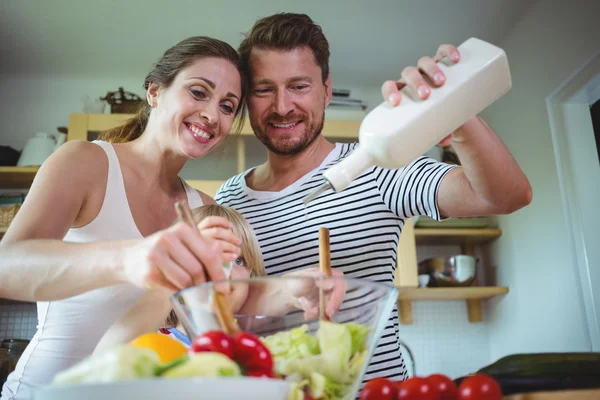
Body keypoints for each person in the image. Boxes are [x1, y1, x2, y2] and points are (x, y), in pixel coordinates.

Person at [215, 13, 533, 382]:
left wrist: (457, 114)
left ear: (327, 90)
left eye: (299, 86)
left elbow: (507, 196)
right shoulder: (229, 197)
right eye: (264, 89)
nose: (282, 106)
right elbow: (227, 311)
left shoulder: (379, 166)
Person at [0, 36, 247, 400]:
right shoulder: (84, 162)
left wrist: (290, 291)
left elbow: (222, 310)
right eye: (198, 92)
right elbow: (6, 267)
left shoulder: (203, 207)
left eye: (228, 106)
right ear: (155, 92)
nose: (213, 115)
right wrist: (130, 258)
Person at [93, 204, 267, 351]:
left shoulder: (259, 342)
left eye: (237, 260)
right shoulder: (160, 342)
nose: (221, 272)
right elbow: (107, 359)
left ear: (251, 276)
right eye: (199, 258)